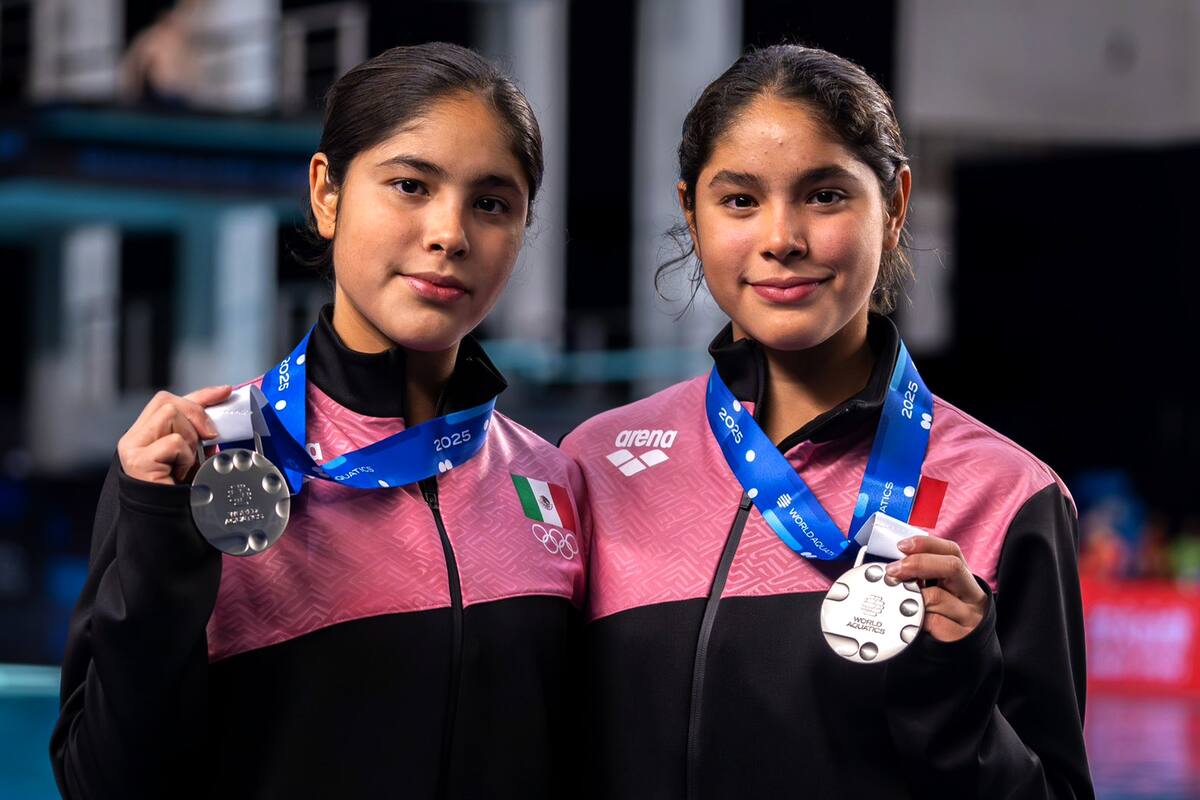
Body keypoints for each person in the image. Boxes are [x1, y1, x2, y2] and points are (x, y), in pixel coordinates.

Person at [52, 43, 586, 799]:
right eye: (410, 185)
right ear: (326, 195)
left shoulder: (551, 477)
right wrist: (157, 536)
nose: (450, 233)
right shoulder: (203, 460)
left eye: (492, 203)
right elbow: (103, 784)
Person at [561, 44, 1093, 799]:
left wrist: (956, 677)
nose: (782, 239)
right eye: (740, 200)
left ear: (895, 204)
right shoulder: (595, 464)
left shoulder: (1007, 495)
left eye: (825, 196)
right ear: (691, 211)